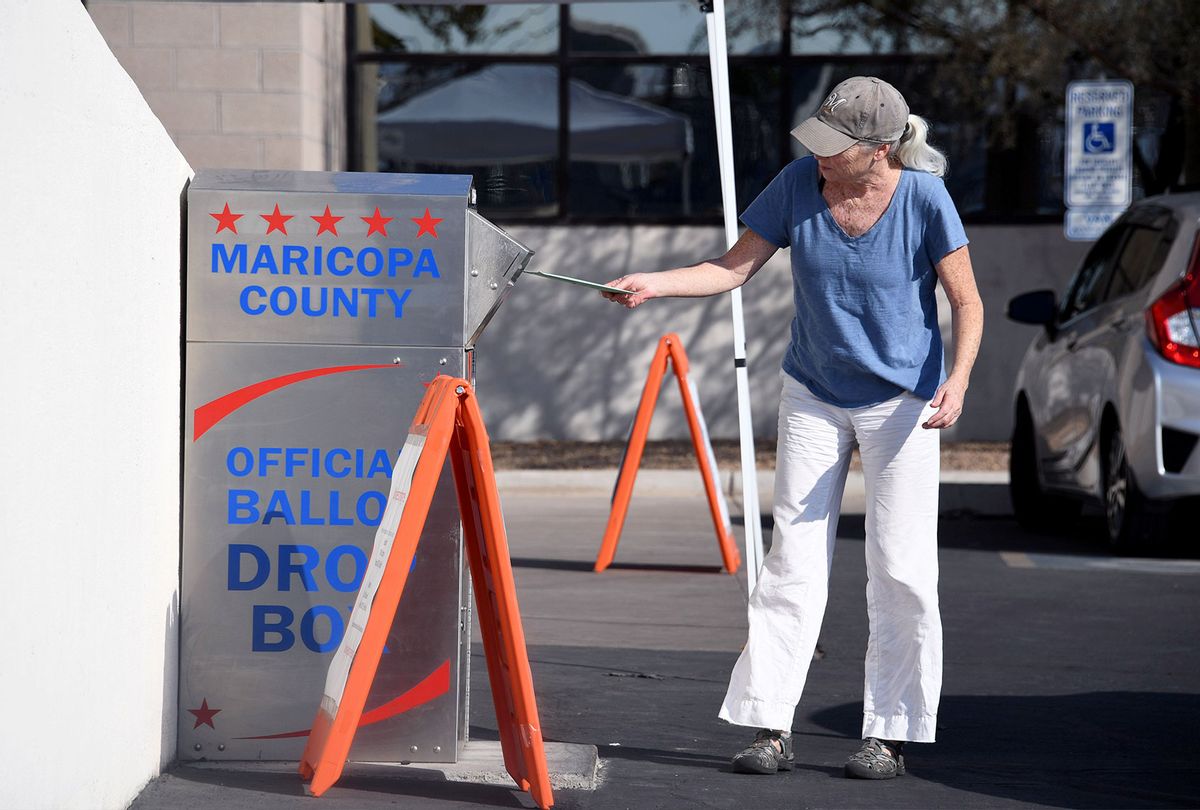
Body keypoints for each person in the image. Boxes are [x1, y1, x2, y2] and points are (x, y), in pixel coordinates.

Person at [601, 76, 983, 779]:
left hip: (904, 400)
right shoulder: (797, 183)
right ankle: (768, 725)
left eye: (838, 147)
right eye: (821, 140)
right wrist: (653, 281)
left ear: (881, 149)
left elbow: (968, 302)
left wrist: (957, 382)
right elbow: (730, 267)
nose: (823, 155)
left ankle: (889, 733)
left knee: (900, 569)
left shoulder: (925, 199)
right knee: (790, 564)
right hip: (813, 390)